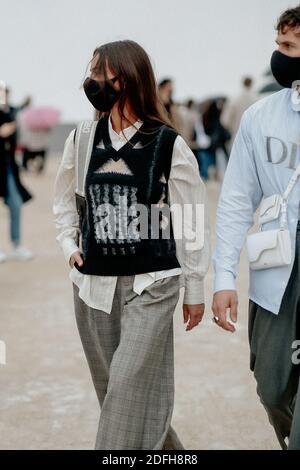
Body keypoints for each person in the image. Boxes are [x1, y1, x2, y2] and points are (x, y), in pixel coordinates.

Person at [53, 40, 210, 450]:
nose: (93, 82)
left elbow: (191, 221)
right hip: (93, 289)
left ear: (128, 78)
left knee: (126, 394)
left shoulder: (168, 144)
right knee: (121, 397)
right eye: (90, 73)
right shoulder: (83, 138)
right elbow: (63, 200)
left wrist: (194, 287)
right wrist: (69, 244)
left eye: (102, 74)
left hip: (152, 285)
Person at [212, 6, 300, 450]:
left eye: (289, 47)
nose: (279, 56)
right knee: (272, 387)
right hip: (275, 263)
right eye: (279, 45)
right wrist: (224, 277)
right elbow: (234, 203)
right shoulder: (260, 116)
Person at [0, 90, 33, 262]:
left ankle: (17, 244)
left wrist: (26, 102)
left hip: (9, 167)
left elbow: (18, 110)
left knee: (15, 203)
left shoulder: (9, 110)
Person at [221, 76, 257, 147]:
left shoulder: (234, 99)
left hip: (237, 136)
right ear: (251, 84)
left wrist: (233, 127)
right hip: (255, 136)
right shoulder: (256, 98)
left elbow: (225, 121)